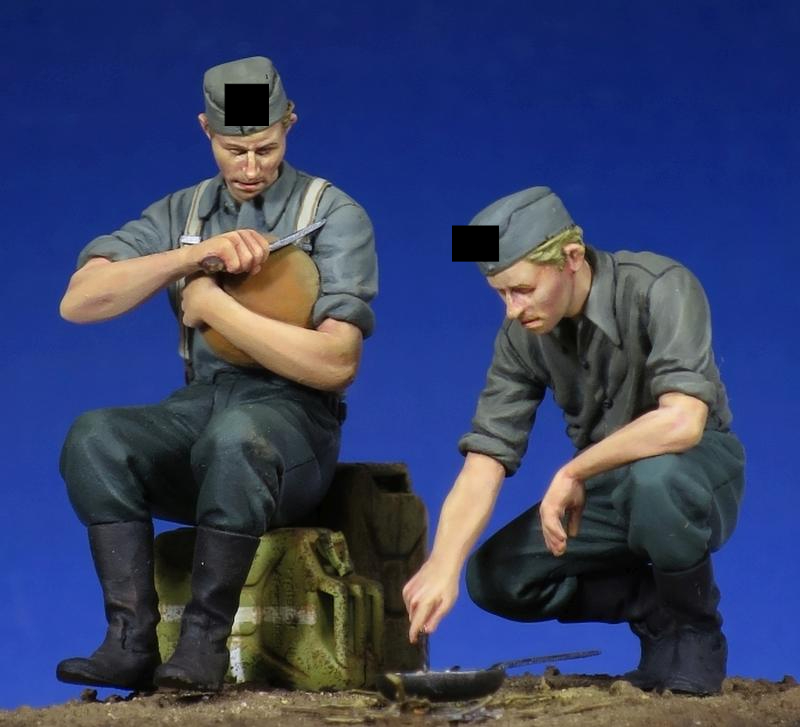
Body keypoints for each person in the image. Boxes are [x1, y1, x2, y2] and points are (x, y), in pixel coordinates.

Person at [56, 56, 377, 693]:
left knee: (237, 438)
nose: (251, 167)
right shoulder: (184, 213)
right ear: (206, 130)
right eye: (234, 150)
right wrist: (189, 259)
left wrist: (214, 306)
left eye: (266, 147)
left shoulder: (332, 213)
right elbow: (80, 301)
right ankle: (130, 639)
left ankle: (203, 642)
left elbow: (337, 363)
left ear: (290, 124)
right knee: (95, 438)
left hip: (293, 424)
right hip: (201, 405)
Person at [403, 187, 744, 695]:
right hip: (607, 487)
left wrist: (574, 470)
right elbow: (485, 458)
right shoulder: (522, 336)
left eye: (522, 289)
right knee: (495, 577)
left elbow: (682, 422)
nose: (512, 310)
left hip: (692, 469)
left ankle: (696, 632)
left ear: (572, 258)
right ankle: (656, 612)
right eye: (500, 294)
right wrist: (442, 563)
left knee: (656, 479)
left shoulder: (661, 286)